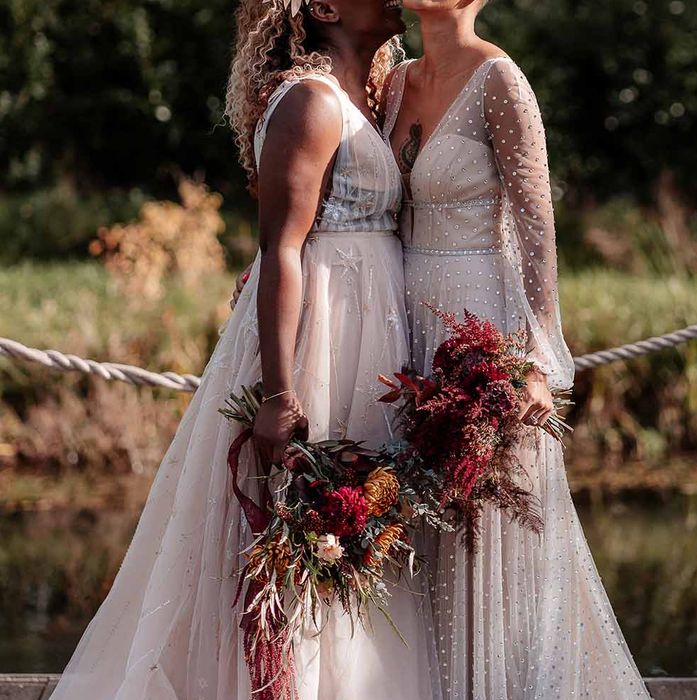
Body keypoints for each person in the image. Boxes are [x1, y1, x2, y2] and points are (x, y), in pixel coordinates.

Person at [49, 1, 439, 698]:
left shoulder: (370, 97)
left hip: (371, 339)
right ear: (322, 8)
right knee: (305, 533)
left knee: (357, 534)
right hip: (321, 344)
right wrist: (280, 396)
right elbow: (281, 249)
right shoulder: (311, 104)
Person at [380, 1, 652, 698]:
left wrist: (534, 352)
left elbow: (535, 219)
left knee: (487, 515)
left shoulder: (501, 79)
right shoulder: (395, 78)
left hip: (482, 313)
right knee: (419, 514)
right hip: (404, 317)